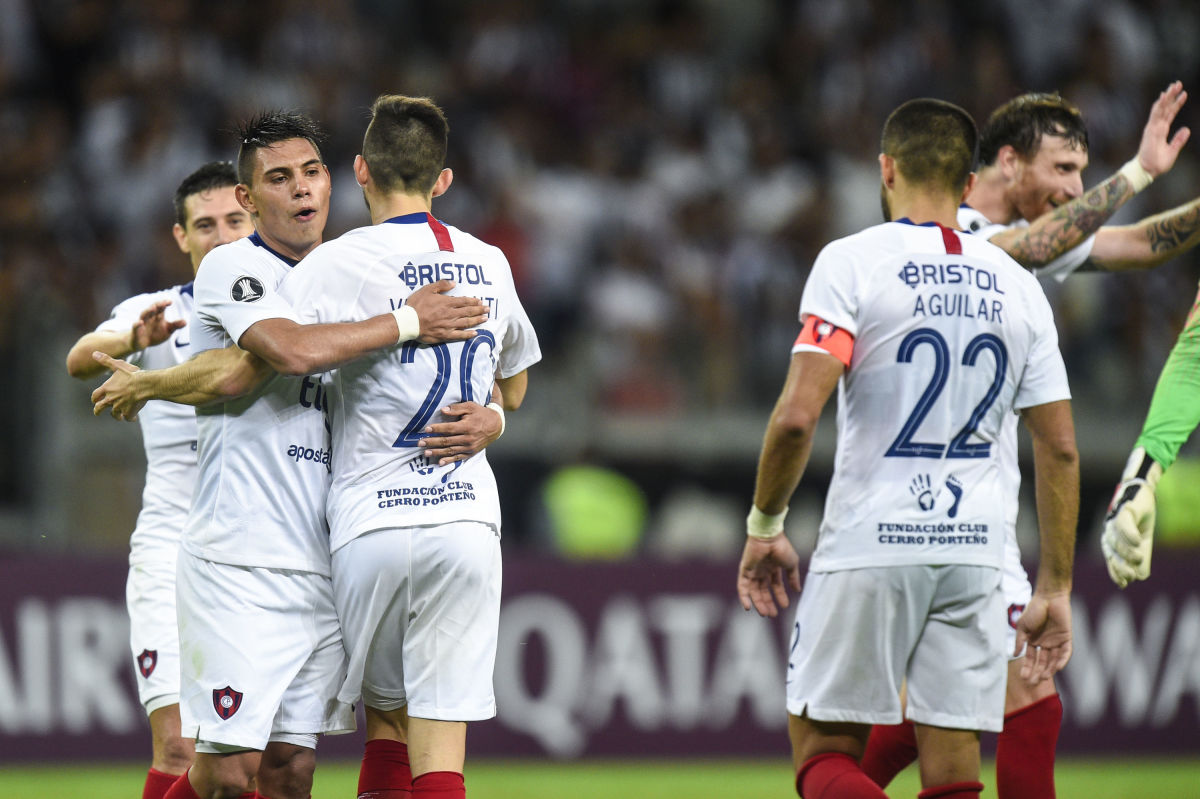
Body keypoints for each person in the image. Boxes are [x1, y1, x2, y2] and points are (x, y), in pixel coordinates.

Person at [90, 110, 495, 799]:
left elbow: (423, 382)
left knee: (290, 772)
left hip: (327, 553)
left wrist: (491, 418)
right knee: (223, 768)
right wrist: (407, 320)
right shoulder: (233, 266)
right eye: (279, 178)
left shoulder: (348, 270)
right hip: (240, 556)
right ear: (248, 201)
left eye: (311, 173)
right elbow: (279, 354)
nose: (302, 190)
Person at [861, 84, 1199, 799]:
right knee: (1025, 696)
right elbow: (1037, 243)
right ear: (1008, 161)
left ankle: (834, 779)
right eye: (1064, 170)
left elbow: (1137, 245)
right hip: (934, 507)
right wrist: (1136, 173)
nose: (1074, 188)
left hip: (944, 505)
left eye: (1083, 173)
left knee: (977, 705)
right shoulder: (954, 230)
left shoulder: (1002, 240)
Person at [736, 98, 1078, 799]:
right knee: (952, 773)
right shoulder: (1019, 285)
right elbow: (1062, 449)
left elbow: (798, 416)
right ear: (966, 183)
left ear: (886, 168)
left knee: (824, 757)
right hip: (978, 553)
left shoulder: (852, 262)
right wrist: (1056, 586)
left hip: (873, 539)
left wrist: (765, 524)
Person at [275, 94, 540, 799]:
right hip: (464, 521)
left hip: (371, 520)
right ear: (443, 179)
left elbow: (276, 355)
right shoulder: (489, 262)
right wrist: (493, 420)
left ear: (359, 170)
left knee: (387, 726)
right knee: (441, 744)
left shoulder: (333, 264)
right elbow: (510, 394)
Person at [64, 161, 251, 799]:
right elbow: (82, 357)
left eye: (234, 219)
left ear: (254, 219)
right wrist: (128, 339)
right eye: (204, 224)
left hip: (259, 551)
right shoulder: (156, 313)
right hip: (170, 545)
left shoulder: (285, 315)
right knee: (178, 746)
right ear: (180, 237)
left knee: (264, 762)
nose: (221, 236)